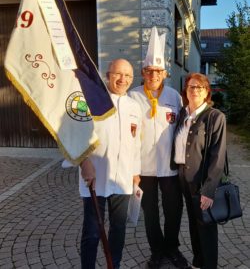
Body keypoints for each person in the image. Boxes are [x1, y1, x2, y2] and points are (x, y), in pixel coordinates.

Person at [129, 27, 190, 269]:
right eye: (149, 71)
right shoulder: (133, 97)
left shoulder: (175, 97)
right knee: (151, 213)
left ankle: (172, 248)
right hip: (143, 168)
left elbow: (184, 130)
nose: (153, 74)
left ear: (164, 73)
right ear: (143, 72)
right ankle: (156, 251)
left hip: (170, 167)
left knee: (174, 210)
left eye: (157, 71)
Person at [79, 58, 142, 269]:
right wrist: (83, 162)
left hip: (123, 179)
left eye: (127, 75)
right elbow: (75, 136)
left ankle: (113, 265)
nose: (122, 79)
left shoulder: (135, 106)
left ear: (132, 79)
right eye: (117, 74)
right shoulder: (91, 100)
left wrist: (135, 172)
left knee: (119, 228)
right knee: (92, 231)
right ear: (108, 75)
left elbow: (137, 142)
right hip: (95, 177)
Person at [171, 73, 226, 269]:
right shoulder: (183, 114)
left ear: (206, 92)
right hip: (182, 178)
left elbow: (217, 157)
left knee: (207, 225)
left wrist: (209, 190)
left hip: (201, 181)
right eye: (191, 87)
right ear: (185, 91)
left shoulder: (215, 117)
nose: (194, 90)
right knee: (194, 223)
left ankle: (209, 265)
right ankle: (198, 262)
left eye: (199, 87)